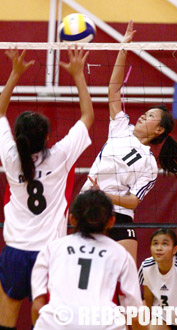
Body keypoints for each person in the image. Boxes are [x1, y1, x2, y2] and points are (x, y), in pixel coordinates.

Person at [0, 45, 94, 329]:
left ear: (17, 137)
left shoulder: (10, 157)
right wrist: (78, 75)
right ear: (49, 136)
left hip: (15, 250)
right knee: (46, 318)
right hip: (50, 252)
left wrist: (14, 74)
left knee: (6, 319)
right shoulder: (61, 156)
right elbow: (87, 116)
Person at [81, 21, 177, 262]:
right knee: (88, 269)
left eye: (150, 116)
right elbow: (114, 90)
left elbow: (133, 201)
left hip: (119, 213)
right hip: (89, 204)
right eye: (145, 112)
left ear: (159, 129)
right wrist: (123, 47)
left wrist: (105, 194)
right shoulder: (121, 127)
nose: (143, 115)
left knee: (127, 276)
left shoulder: (150, 164)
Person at [31, 189, 148, 330]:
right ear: (111, 221)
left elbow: (37, 308)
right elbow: (135, 316)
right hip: (103, 325)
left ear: (72, 219)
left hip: (55, 325)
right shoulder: (120, 255)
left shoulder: (52, 249)